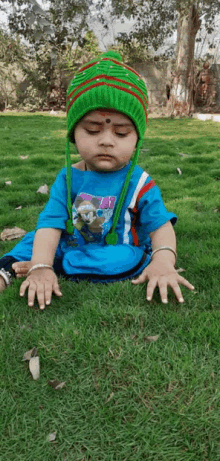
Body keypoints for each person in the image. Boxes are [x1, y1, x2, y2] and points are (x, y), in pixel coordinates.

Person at [0, 51, 194, 309]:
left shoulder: (140, 182)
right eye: (92, 130)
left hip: (114, 248)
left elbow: (160, 226)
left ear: (137, 139)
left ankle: (59, 266)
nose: (105, 140)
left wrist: (163, 261)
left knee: (120, 258)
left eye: (121, 132)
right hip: (70, 239)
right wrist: (40, 264)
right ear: (73, 134)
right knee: (36, 239)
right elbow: (50, 223)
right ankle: (10, 268)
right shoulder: (67, 178)